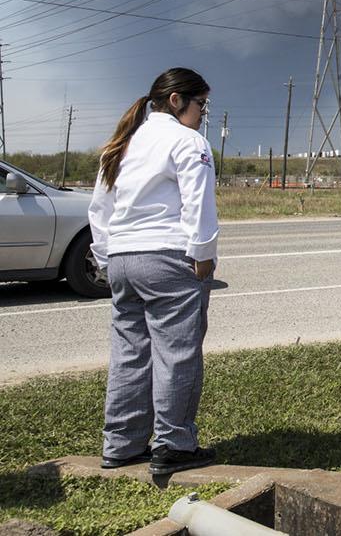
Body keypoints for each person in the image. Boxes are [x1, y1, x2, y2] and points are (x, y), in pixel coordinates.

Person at [89, 68, 219, 476]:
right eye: (202, 105)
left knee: (130, 353)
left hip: (123, 258)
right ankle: (174, 444)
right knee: (177, 354)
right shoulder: (187, 141)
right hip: (168, 256)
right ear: (178, 100)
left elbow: (100, 207)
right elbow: (198, 201)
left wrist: (107, 257)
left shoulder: (123, 144)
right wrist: (202, 254)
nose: (203, 114)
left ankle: (122, 445)